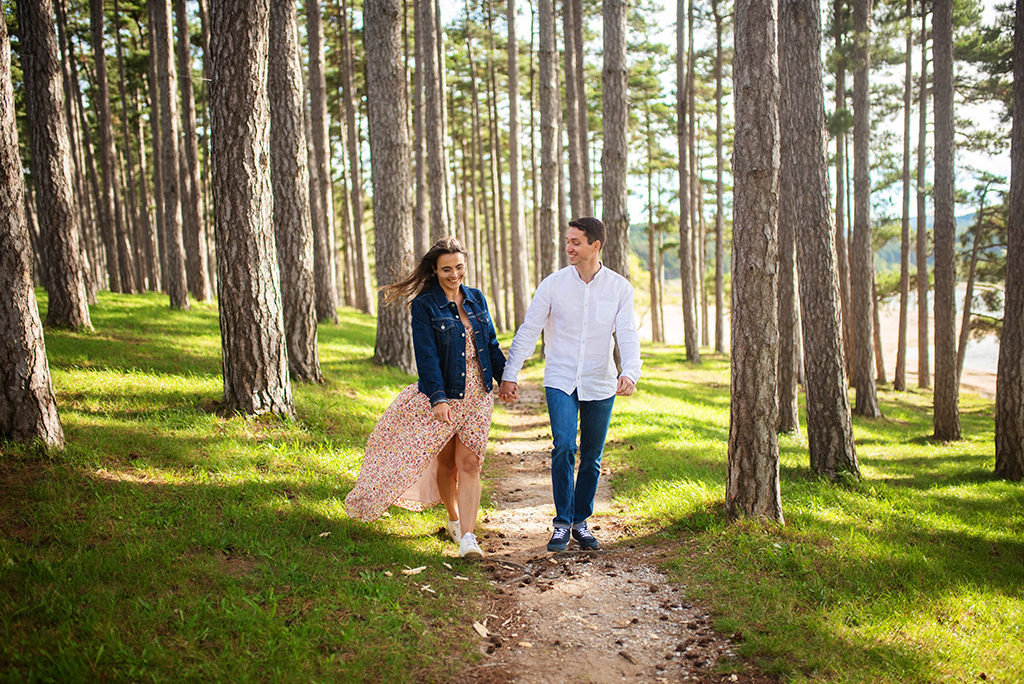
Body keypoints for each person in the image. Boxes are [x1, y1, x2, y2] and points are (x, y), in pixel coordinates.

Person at [345, 237, 506, 560]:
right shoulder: (424, 305)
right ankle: (455, 520)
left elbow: (489, 344)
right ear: (434, 270)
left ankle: (469, 539)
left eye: (459, 267)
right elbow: (427, 355)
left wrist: (506, 379)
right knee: (447, 463)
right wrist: (438, 398)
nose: (454, 274)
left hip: (478, 395)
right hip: (447, 394)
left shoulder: (476, 299)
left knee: (470, 462)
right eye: (447, 269)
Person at [498, 217, 641, 552]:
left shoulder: (619, 288)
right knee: (564, 446)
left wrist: (630, 372)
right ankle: (562, 523)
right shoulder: (553, 284)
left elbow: (628, 334)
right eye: (567, 241)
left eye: (576, 242)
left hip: (600, 380)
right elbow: (529, 328)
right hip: (560, 378)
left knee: (591, 456)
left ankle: (581, 521)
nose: (569, 248)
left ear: (596, 245)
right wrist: (510, 372)